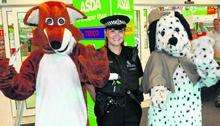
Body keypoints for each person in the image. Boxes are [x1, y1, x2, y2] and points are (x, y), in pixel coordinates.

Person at [94, 15, 144, 126]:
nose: (117, 35)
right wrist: (102, 102)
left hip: (132, 109)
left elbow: (140, 78)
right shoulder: (98, 55)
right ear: (106, 33)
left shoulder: (132, 54)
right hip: (108, 111)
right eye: (112, 31)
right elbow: (90, 85)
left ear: (124, 33)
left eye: (120, 31)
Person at [207, 18, 220, 107]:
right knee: (215, 78)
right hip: (214, 61)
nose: (216, 26)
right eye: (214, 24)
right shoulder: (210, 34)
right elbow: (207, 46)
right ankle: (216, 96)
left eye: (218, 24)